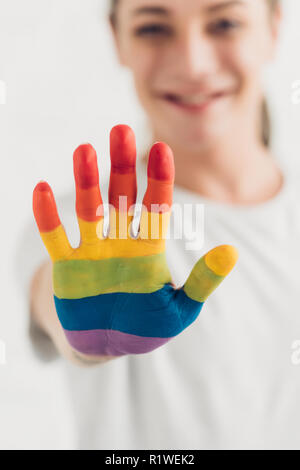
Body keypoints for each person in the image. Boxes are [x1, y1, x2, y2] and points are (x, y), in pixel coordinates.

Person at [21, 0, 300, 449]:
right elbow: (50, 304)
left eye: (224, 23)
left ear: (273, 29)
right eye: (154, 28)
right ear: (118, 39)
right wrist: (88, 337)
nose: (192, 63)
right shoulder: (79, 231)